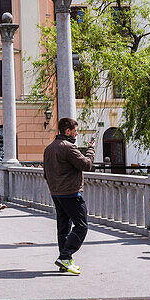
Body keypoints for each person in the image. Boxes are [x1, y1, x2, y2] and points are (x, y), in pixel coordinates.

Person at [42, 117, 96, 275]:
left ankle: (64, 261)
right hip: (71, 193)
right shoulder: (69, 147)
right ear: (68, 131)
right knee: (81, 226)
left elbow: (46, 173)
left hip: (56, 192)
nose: (76, 133)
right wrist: (91, 149)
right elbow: (86, 165)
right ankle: (65, 256)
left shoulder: (50, 148)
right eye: (75, 130)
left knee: (63, 227)